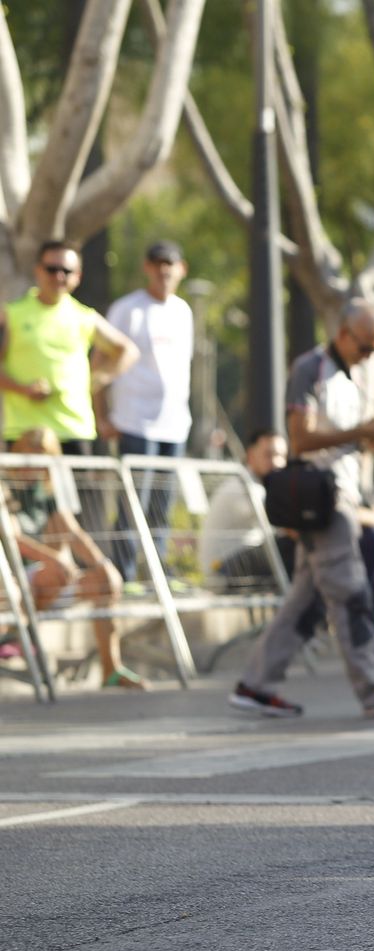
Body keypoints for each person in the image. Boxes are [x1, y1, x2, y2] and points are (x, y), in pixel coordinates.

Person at [230, 300, 374, 719]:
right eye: (366, 346)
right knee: (351, 593)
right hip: (320, 500)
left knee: (306, 600)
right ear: (343, 333)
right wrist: (361, 431)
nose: (370, 355)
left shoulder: (356, 377)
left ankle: (256, 685)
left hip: (345, 494)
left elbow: (344, 438)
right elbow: (301, 440)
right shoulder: (310, 368)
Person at [5, 428, 147, 689]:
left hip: (48, 580)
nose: (32, 466)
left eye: (40, 458)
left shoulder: (47, 493)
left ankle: (111, 668)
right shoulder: (5, 486)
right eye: (28, 456)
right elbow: (13, 539)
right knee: (54, 570)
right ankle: (15, 635)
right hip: (13, 579)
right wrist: (55, 560)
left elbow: (73, 532)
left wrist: (103, 565)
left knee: (106, 581)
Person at [103, 240, 195, 579]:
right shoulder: (127, 309)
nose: (164, 269)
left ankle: (159, 578)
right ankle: (122, 577)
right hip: (134, 422)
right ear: (147, 267)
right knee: (132, 506)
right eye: (157, 262)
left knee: (162, 507)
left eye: (171, 263)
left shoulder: (184, 311)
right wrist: (103, 414)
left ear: (181, 269)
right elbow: (101, 360)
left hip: (174, 425)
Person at [0, 240, 137, 453]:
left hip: (74, 430)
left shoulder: (85, 317)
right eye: (51, 269)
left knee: (79, 488)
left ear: (78, 276)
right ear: (38, 270)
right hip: (23, 433)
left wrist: (98, 378)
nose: (59, 276)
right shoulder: (11, 314)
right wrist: (23, 389)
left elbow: (128, 351)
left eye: (66, 270)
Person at [198, 428, 294, 589]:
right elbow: (287, 526)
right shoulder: (245, 485)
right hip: (223, 571)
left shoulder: (255, 484)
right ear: (250, 455)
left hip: (234, 564)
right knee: (293, 546)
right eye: (269, 455)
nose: (276, 463)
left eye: (281, 456)